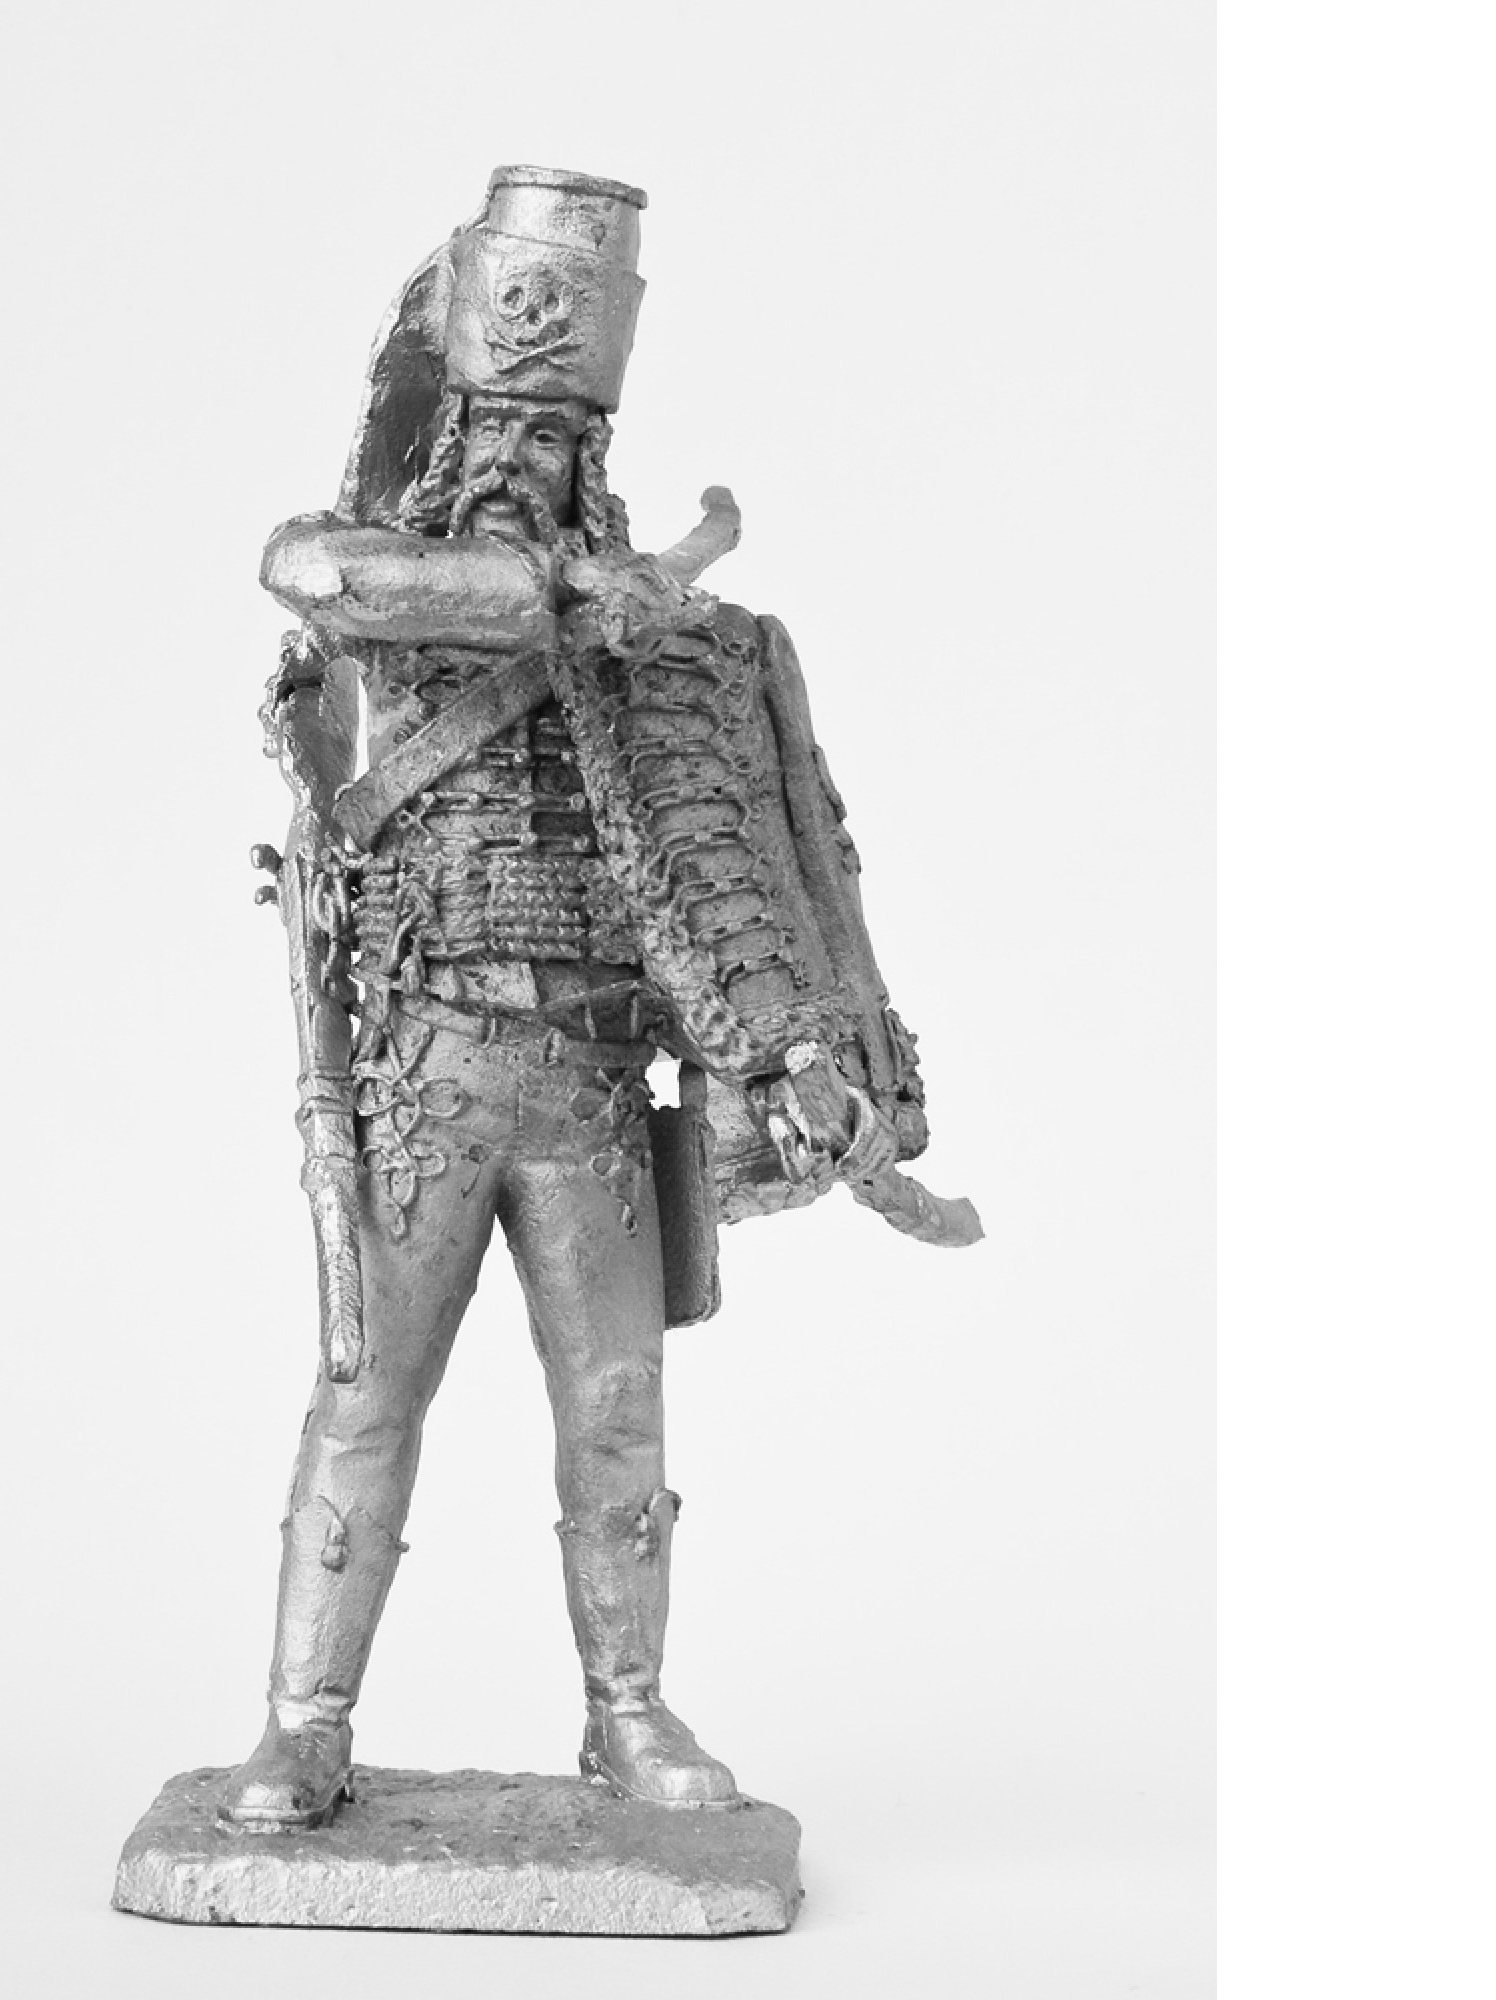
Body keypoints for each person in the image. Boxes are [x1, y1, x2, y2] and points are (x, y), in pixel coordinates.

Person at [221, 167, 966, 1831]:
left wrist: (794, 1048)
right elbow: (314, 570)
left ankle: (627, 1713)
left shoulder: (673, 655)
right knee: (367, 1403)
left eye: (560, 442)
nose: (527, 464)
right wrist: (560, 595)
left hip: (589, 1084)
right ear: (450, 431)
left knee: (618, 1417)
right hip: (422, 1070)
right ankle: (303, 1722)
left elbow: (743, 865)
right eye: (502, 432)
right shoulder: (380, 592)